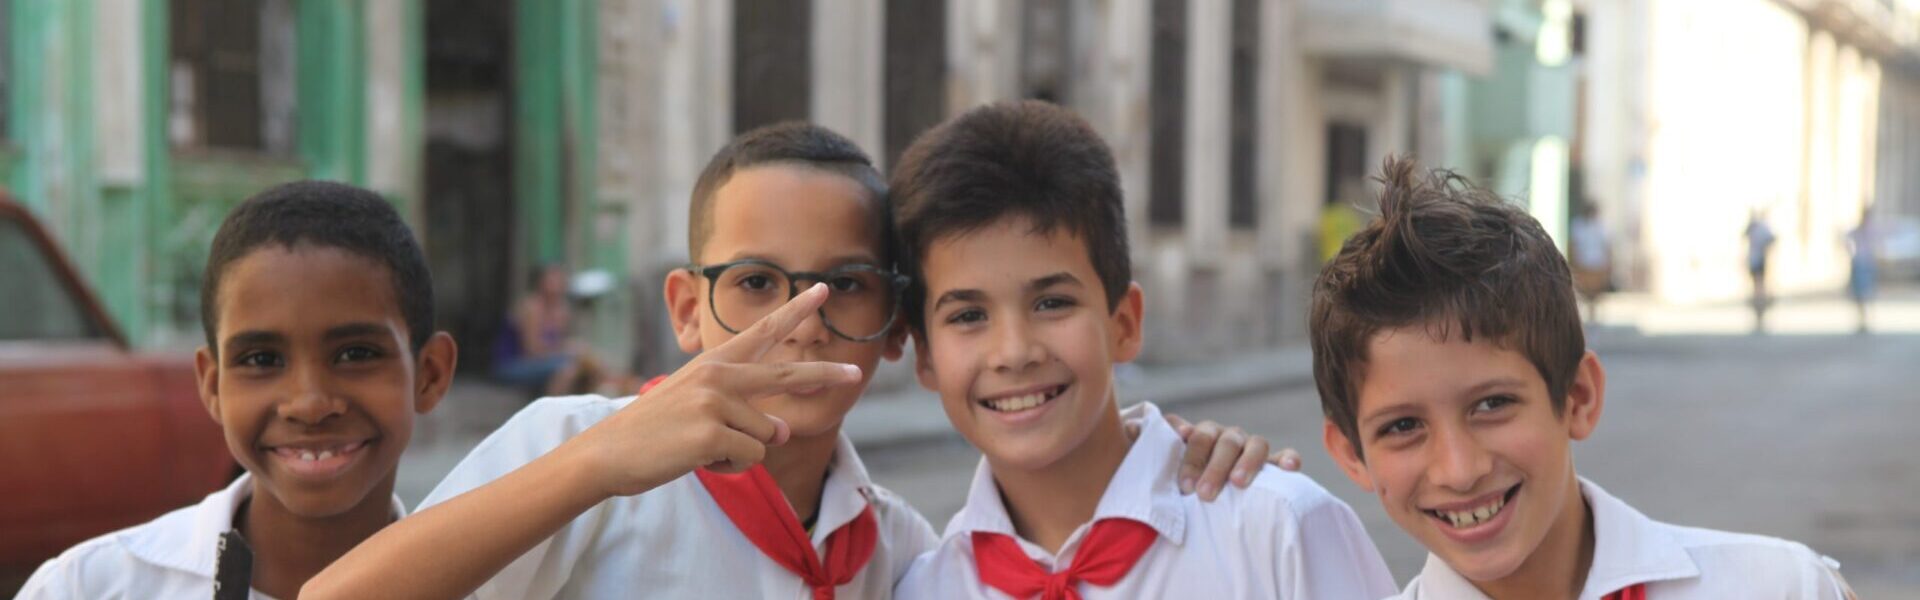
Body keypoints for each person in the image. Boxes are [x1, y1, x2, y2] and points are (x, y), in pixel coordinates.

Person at [302, 122, 1283, 600]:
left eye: (844, 283)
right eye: (758, 282)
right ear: (687, 308)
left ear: (901, 331)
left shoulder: (900, 556)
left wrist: (1169, 455)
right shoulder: (582, 457)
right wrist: (600, 461)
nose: (799, 321)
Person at [889, 101, 1396, 599]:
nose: (1014, 352)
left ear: (1125, 323)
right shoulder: (925, 587)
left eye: (1051, 303)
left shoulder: (1276, 534)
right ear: (926, 355)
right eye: (968, 316)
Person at [1315, 157, 1853, 599]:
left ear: (1578, 397)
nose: (1459, 471)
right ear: (1350, 454)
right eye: (1403, 425)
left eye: (1491, 404)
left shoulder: (1778, 588)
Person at [18, 181, 459, 599]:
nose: (309, 404)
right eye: (261, 360)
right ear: (212, 385)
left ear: (430, 375)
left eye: (356, 354)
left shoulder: (484, 584)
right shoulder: (90, 587)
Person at [1567, 202, 1611, 325]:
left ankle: (1593, 313)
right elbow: (1573, 245)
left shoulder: (1601, 226)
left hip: (1596, 263)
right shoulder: (1578, 225)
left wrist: (1608, 264)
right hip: (1583, 263)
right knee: (1584, 290)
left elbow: (1606, 246)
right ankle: (1585, 313)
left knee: (1595, 292)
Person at [1846, 207, 1879, 334]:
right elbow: (1846, 237)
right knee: (1859, 293)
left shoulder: (1871, 230)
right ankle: (1861, 319)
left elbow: (1878, 243)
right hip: (1859, 262)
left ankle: (1866, 319)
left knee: (1867, 292)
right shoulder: (1858, 230)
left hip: (1868, 263)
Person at [1746, 209, 1778, 333]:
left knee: (1758, 285)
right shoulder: (1758, 227)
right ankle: (1759, 305)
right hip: (1757, 259)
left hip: (1757, 259)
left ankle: (1760, 307)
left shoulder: (1757, 228)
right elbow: (1772, 239)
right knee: (1759, 285)